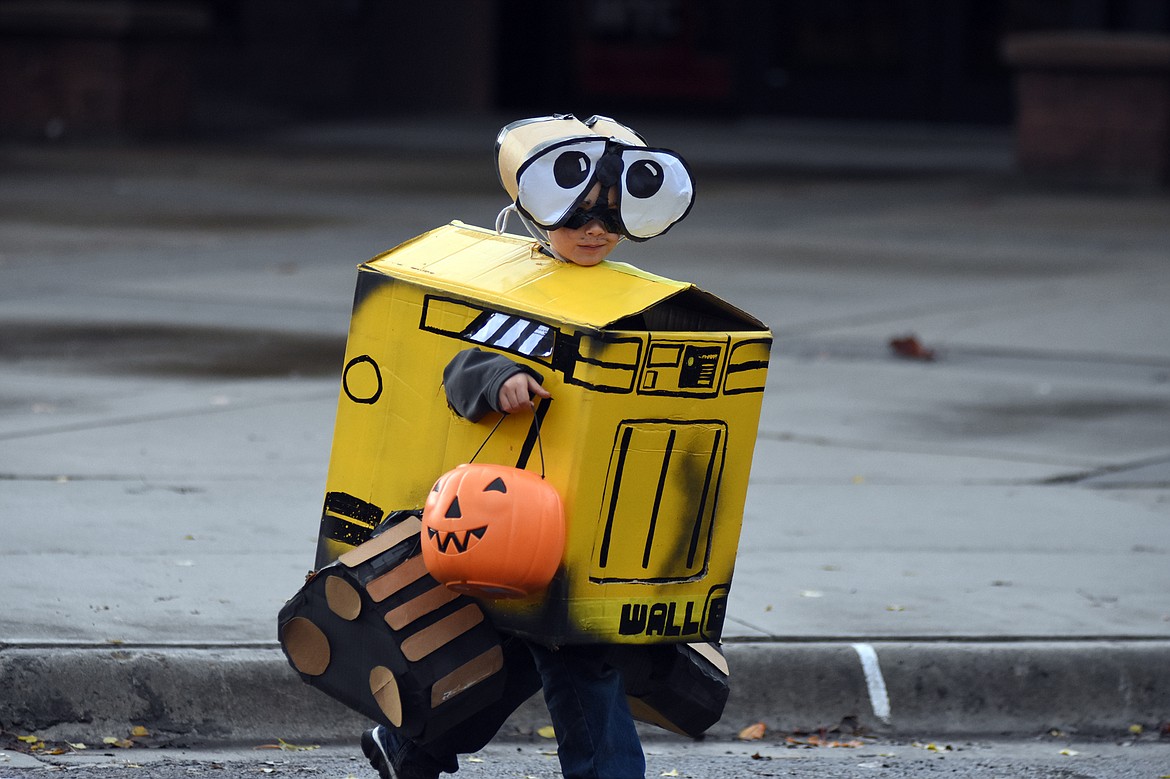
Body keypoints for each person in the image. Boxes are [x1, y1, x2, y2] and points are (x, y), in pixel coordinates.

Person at [362, 115, 695, 779]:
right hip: (511, 515)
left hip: (592, 519)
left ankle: (408, 747)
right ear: (536, 211)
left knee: (511, 662)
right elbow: (457, 368)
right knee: (576, 657)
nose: (594, 230)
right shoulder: (515, 288)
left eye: (608, 218)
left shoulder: (629, 297)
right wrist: (501, 377)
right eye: (577, 217)